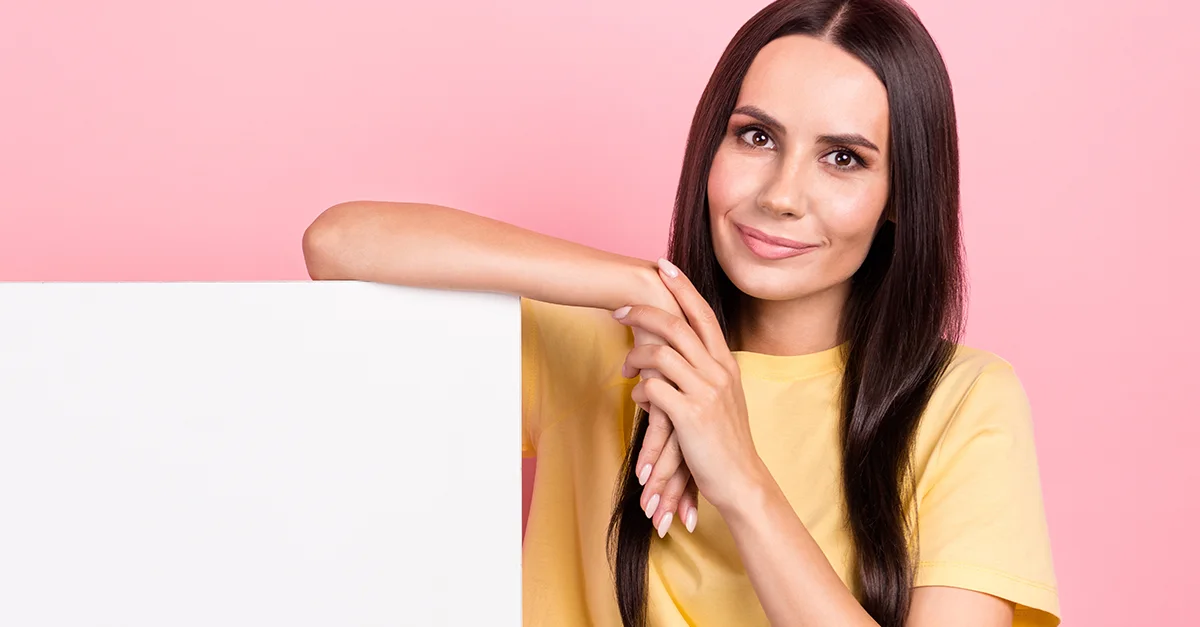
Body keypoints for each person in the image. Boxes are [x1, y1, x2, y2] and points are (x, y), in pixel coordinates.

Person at [302, 0, 1060, 624]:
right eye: (756, 136)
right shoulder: (609, 349)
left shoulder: (963, 402)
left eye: (843, 158)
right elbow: (339, 244)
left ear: (901, 199)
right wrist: (647, 289)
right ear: (712, 146)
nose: (781, 194)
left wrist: (738, 472)